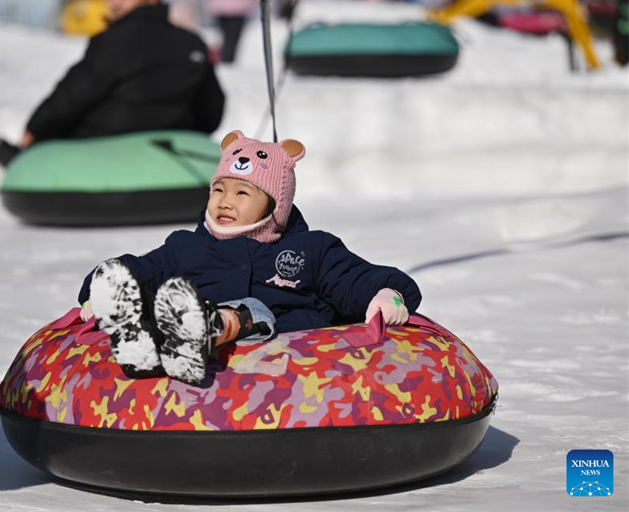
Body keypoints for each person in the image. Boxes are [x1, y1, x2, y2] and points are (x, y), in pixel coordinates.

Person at [78, 130, 421, 386]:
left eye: (242, 193)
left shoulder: (309, 250)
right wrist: (102, 286)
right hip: (191, 327)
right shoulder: (187, 247)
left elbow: (353, 278)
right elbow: (144, 268)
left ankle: (208, 327)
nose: (225, 202)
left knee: (252, 310)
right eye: (218, 190)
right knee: (154, 291)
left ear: (275, 206)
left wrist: (386, 291)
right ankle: (149, 339)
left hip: (283, 348)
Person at [0, 0, 225, 167]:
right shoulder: (191, 43)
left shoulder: (113, 41)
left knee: (61, 128)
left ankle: (26, 160)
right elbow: (212, 108)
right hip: (174, 138)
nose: (113, 2)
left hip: (108, 138)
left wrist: (37, 128)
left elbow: (73, 95)